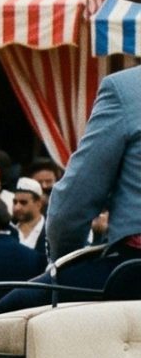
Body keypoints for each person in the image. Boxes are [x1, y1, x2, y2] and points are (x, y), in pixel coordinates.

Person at [46, 55, 141, 284]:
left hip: (133, 271)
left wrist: (66, 263)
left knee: (2, 304)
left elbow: (72, 202)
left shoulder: (126, 88)